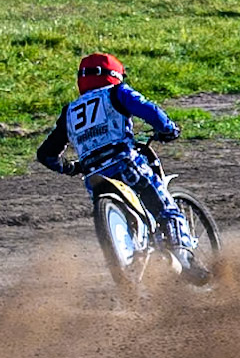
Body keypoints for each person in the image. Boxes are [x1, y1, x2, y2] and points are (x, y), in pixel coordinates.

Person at [35, 52, 207, 281]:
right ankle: (186, 259)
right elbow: (149, 109)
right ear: (115, 74)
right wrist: (168, 129)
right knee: (166, 207)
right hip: (125, 162)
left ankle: (135, 256)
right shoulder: (116, 92)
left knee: (127, 220)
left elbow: (46, 154)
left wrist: (70, 168)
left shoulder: (70, 111)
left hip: (92, 175)